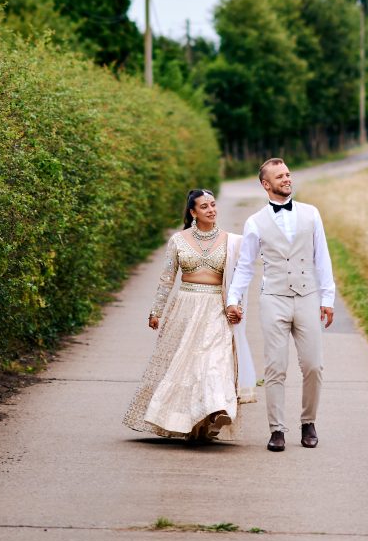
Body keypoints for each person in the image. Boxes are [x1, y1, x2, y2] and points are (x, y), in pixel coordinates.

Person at [122, 189, 256, 442]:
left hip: (216, 307)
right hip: (185, 307)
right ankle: (190, 422)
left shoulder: (231, 241)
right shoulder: (178, 240)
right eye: (204, 207)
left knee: (214, 361)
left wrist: (234, 305)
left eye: (214, 205)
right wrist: (156, 311)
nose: (212, 210)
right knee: (186, 367)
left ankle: (217, 410)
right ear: (193, 212)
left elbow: (239, 279)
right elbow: (166, 280)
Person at [226, 158, 335, 452]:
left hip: (307, 296)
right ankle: (276, 429)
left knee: (314, 365)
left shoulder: (311, 214)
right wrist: (233, 299)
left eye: (288, 174)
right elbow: (246, 267)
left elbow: (321, 258)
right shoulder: (255, 222)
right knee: (275, 368)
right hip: (273, 298)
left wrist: (328, 298)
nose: (287, 179)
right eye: (280, 176)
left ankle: (308, 421)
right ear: (266, 184)